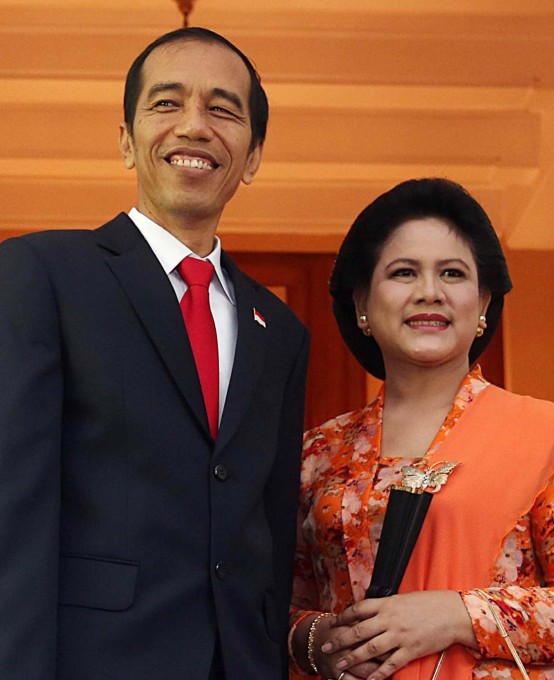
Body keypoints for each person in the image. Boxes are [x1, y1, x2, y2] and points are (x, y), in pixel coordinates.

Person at [0, 27, 310, 679]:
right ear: (125, 139)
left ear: (252, 155)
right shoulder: (42, 274)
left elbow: (271, 534)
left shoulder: (279, 330)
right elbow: (13, 512)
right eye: (167, 104)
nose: (194, 126)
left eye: (223, 109)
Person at [287, 177, 554, 680]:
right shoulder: (319, 453)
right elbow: (281, 607)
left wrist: (457, 615)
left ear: (483, 303)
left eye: (452, 273)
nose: (429, 292)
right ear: (362, 303)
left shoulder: (546, 437)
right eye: (404, 272)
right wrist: (319, 640)